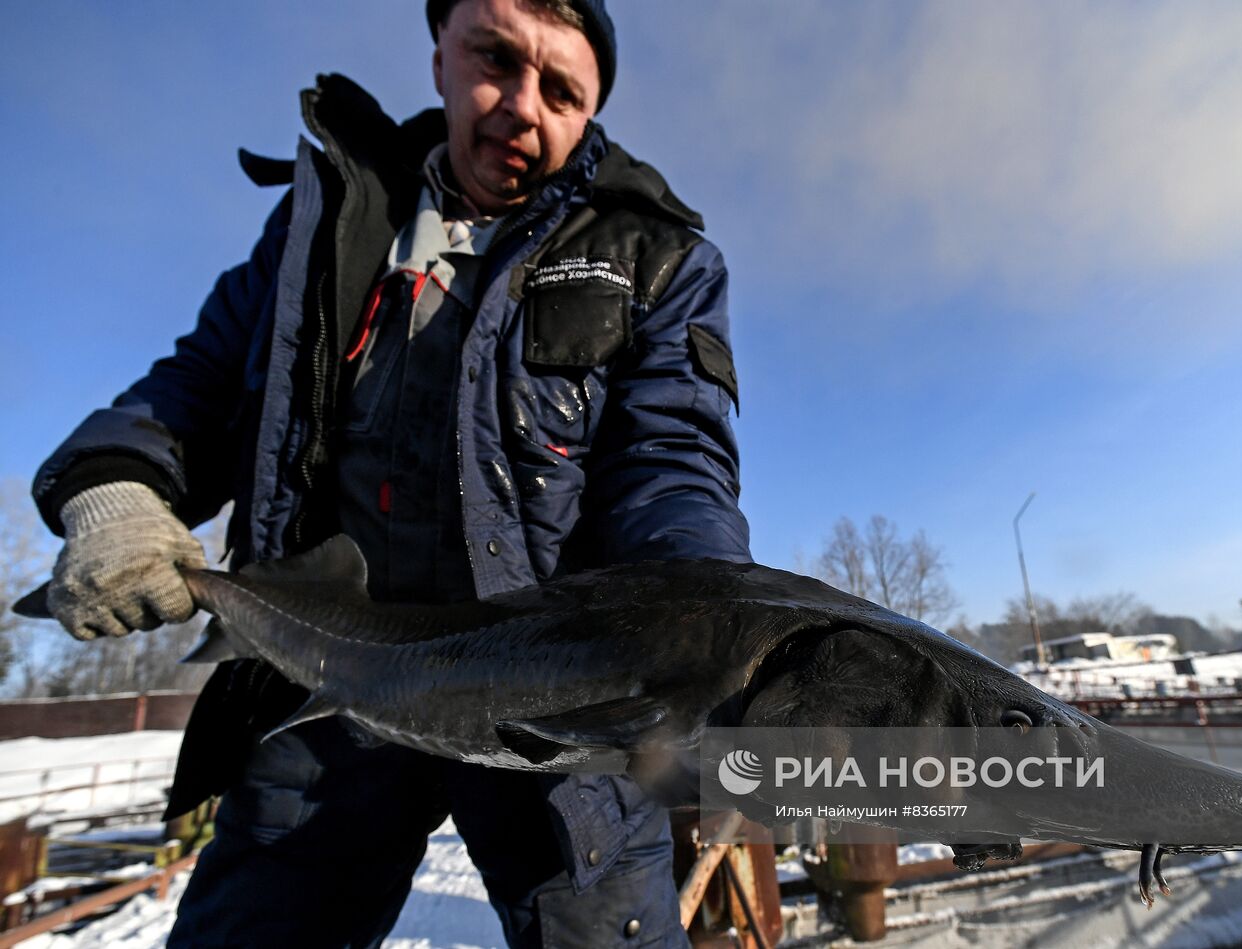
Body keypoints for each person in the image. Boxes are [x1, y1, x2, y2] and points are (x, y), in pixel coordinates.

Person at [30, 0, 748, 945]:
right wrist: (118, 480)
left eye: (564, 90)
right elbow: (201, 379)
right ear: (442, 52)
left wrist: (703, 619)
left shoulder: (657, 256)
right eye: (497, 57)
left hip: (555, 701)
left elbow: (674, 459)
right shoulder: (324, 222)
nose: (525, 107)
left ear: (593, 111)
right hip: (325, 681)